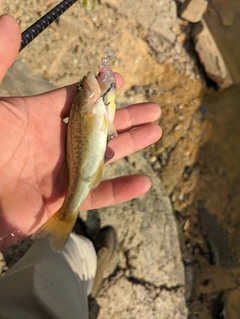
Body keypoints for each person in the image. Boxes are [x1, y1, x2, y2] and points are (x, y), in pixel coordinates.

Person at [0, 14, 162, 319]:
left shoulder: (91, 108)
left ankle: (79, 251)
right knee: (58, 273)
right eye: (87, 86)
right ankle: (86, 257)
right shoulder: (92, 108)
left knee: (49, 274)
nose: (91, 81)